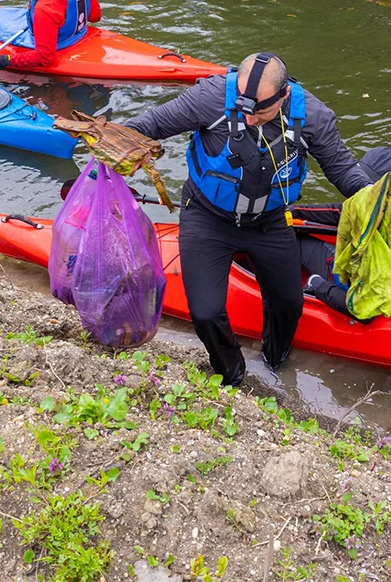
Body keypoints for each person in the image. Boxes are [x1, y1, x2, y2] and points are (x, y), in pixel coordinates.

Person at [123, 53, 373, 385]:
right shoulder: (209, 97)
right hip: (206, 217)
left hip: (269, 222)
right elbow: (149, 125)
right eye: (243, 109)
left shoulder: (312, 116)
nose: (249, 119)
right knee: (206, 313)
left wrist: (378, 199)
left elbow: (343, 172)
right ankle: (234, 374)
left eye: (261, 112)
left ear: (283, 95)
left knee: (288, 303)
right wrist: (114, 148)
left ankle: (275, 361)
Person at [299, 147, 391, 320]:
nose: (365, 185)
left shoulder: (384, 216)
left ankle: (315, 284)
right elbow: (340, 213)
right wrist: (295, 212)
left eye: (372, 182)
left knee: (298, 243)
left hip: (390, 293)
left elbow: (381, 291)